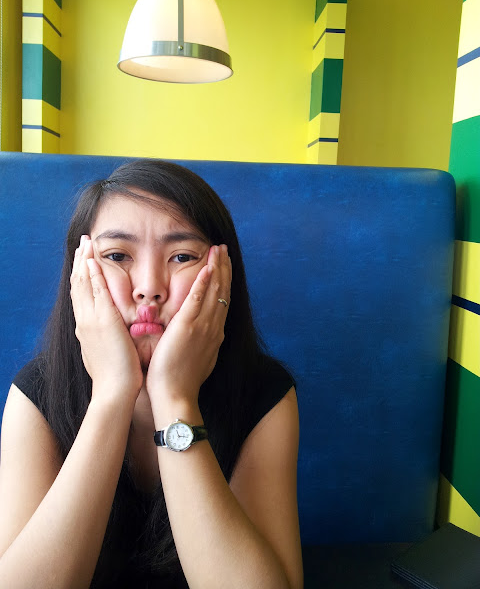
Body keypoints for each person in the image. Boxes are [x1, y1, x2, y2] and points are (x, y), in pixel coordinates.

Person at [0, 160, 303, 589]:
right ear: (79, 275)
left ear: (222, 278)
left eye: (181, 256)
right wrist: (112, 394)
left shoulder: (266, 395)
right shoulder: (35, 394)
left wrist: (174, 397)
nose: (148, 287)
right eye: (116, 256)